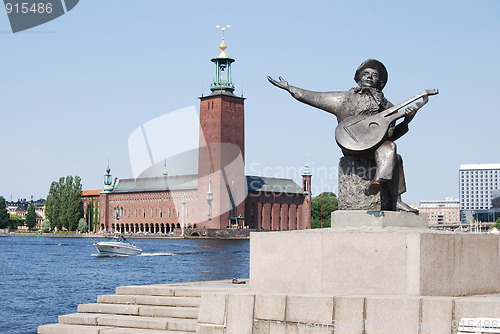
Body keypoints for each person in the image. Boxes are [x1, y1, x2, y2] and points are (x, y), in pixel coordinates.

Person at [268, 59, 421, 212]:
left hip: (375, 148)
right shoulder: (344, 99)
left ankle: (388, 192)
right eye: (365, 74)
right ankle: (390, 193)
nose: (369, 77)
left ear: (380, 82)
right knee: (393, 155)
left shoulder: (387, 107)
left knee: (393, 151)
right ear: (359, 78)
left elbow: (390, 136)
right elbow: (315, 97)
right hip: (351, 145)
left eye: (374, 75)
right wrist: (290, 88)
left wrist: (407, 119)